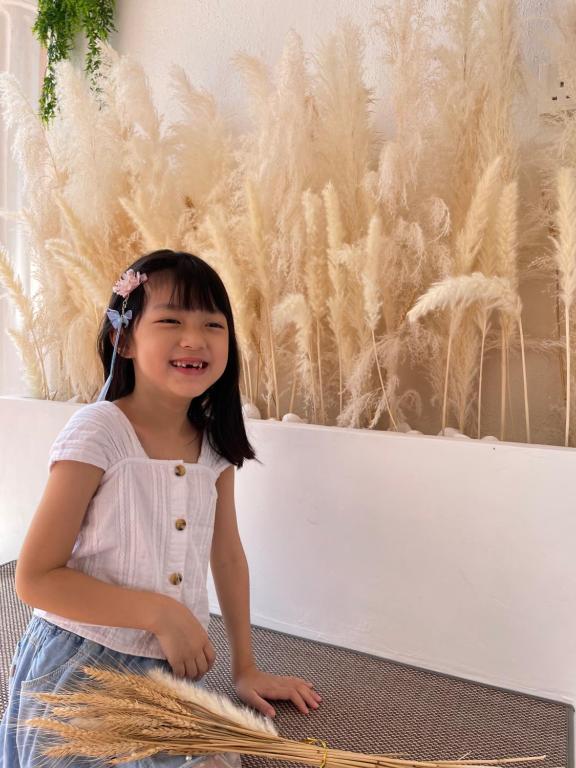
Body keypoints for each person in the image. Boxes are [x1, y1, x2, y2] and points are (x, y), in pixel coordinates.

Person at [0, 249, 321, 767]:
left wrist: (245, 668)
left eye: (212, 324)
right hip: (82, 661)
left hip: (167, 673)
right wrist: (159, 612)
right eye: (170, 320)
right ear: (122, 338)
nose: (193, 339)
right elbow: (34, 578)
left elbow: (228, 555)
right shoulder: (99, 430)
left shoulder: (214, 444)